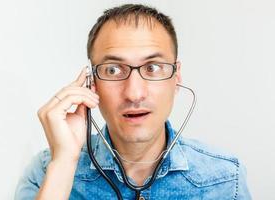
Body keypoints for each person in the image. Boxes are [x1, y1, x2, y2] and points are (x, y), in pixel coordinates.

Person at [15, 4, 251, 200]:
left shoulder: (227, 179)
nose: (134, 94)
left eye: (153, 68)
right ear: (91, 83)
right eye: (113, 69)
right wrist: (64, 162)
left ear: (176, 77)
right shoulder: (47, 170)